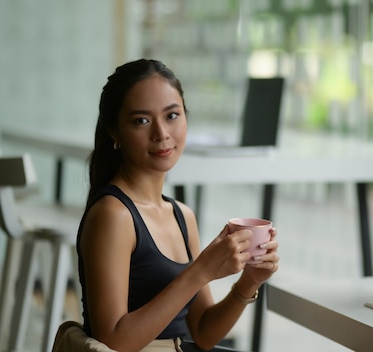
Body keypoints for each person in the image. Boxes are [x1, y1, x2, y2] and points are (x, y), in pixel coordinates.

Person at [76, 59, 280, 352]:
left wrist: (249, 282)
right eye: (141, 121)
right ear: (115, 133)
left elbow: (204, 333)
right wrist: (201, 271)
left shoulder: (182, 216)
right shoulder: (113, 215)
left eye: (172, 115)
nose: (161, 133)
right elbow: (113, 342)